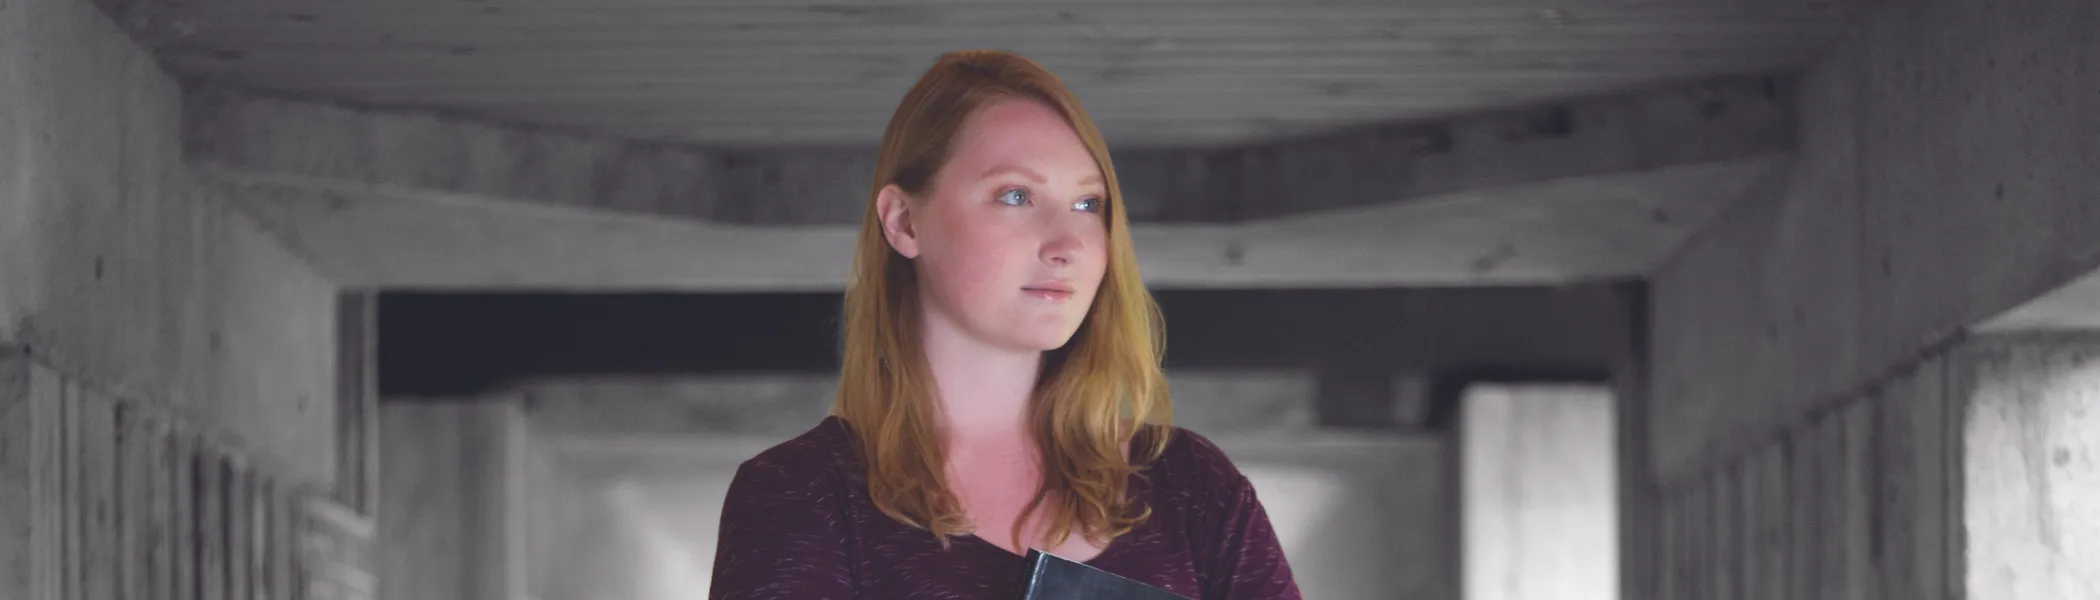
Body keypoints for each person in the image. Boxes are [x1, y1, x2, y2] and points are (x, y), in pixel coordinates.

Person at [706, 49, 1302, 600]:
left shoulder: (1191, 485)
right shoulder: (798, 495)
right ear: (904, 222)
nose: (1068, 242)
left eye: (1088, 204)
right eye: (1015, 196)